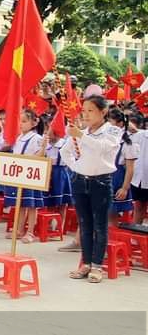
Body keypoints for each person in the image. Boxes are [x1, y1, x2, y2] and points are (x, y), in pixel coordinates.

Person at [62, 96, 121, 283]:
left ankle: (97, 266)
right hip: (80, 181)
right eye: (84, 110)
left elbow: (101, 148)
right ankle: (85, 263)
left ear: (103, 112)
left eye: (90, 110)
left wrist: (80, 135)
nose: (85, 114)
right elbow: (65, 151)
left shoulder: (112, 130)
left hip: (101, 182)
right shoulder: (82, 132)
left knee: (100, 225)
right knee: (84, 224)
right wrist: (76, 167)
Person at [3, 109, 46, 242]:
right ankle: (19, 230)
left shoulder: (36, 138)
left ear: (33, 123)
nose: (21, 124)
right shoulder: (19, 137)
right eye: (20, 121)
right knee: (20, 203)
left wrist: (43, 148)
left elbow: (40, 157)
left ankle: (30, 232)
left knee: (31, 205)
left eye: (24, 121)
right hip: (19, 174)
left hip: (31, 174)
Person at [106, 108, 138, 225]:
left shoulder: (127, 144)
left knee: (112, 213)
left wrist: (124, 188)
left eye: (110, 122)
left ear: (120, 124)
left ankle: (111, 240)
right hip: (103, 177)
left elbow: (130, 169)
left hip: (117, 179)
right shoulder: (105, 140)